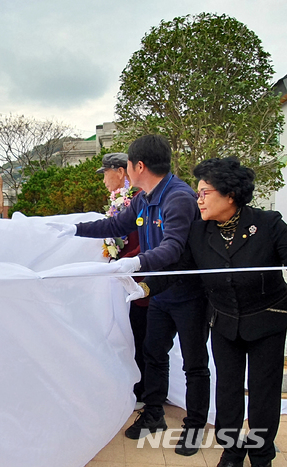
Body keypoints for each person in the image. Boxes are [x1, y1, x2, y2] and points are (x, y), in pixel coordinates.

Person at [49, 134, 209, 456]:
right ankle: (153, 415)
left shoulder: (178, 198)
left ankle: (194, 427)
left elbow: (174, 247)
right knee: (153, 354)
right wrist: (74, 230)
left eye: (128, 166)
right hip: (160, 292)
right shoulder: (143, 198)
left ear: (139, 166)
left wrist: (138, 261)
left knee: (194, 363)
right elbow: (117, 225)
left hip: (189, 294)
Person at [121, 157, 287, 467]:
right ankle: (232, 452)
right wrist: (144, 287)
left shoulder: (268, 225)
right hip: (225, 322)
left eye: (204, 192)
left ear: (230, 195)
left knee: (263, 393)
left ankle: (262, 455)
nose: (198, 199)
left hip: (266, 321)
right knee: (228, 391)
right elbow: (179, 269)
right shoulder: (200, 232)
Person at [96, 152, 149, 408]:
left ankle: (145, 390)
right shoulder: (120, 200)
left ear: (119, 172)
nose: (104, 180)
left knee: (143, 338)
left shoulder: (136, 199)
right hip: (124, 279)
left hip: (142, 281)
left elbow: (146, 239)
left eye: (105, 173)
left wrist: (123, 260)